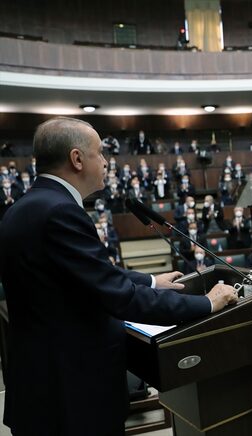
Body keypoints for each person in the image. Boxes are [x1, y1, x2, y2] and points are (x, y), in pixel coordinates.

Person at [0, 118, 238, 436]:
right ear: (77, 159)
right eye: (100, 153)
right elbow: (118, 297)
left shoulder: (24, 208)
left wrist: (151, 281)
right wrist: (207, 304)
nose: (106, 162)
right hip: (71, 393)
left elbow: (85, 276)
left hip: (41, 383)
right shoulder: (60, 212)